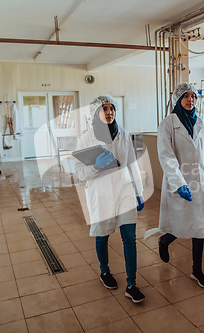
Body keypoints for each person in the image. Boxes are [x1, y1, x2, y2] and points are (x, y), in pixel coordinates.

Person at [74, 95, 146, 303]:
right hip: (100, 191)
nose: (109, 112)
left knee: (130, 237)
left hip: (124, 191)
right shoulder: (86, 138)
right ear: (96, 113)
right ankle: (104, 271)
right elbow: (79, 172)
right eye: (104, 109)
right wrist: (96, 166)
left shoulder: (123, 134)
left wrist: (139, 191)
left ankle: (131, 284)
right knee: (102, 235)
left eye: (111, 108)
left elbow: (132, 163)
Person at [156, 83, 204, 288]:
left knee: (199, 226)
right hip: (178, 180)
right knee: (180, 223)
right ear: (178, 99)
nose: (191, 100)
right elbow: (166, 155)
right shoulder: (168, 123)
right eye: (186, 96)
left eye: (194, 97)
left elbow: (199, 155)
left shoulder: (200, 122)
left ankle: (196, 269)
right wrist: (178, 182)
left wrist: (202, 179)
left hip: (198, 180)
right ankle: (164, 241)